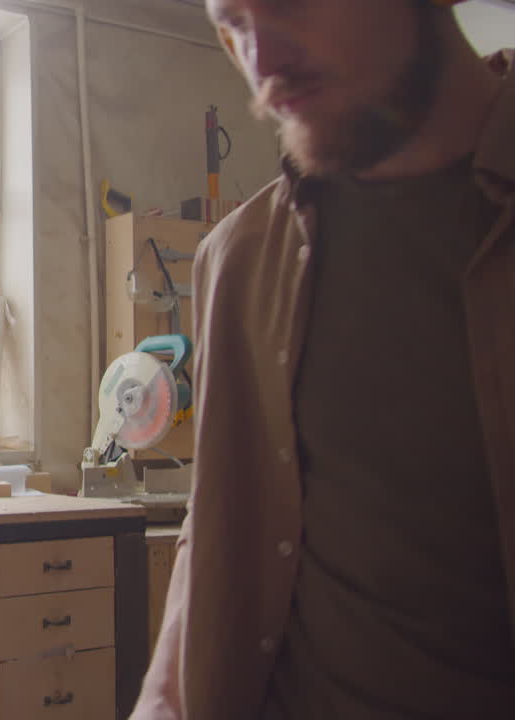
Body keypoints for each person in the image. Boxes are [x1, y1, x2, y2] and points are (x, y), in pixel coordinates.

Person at [132, 0, 515, 717]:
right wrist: (161, 699)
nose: (263, 63)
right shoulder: (236, 260)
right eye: (235, 24)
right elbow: (217, 524)